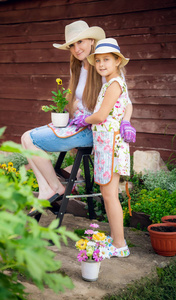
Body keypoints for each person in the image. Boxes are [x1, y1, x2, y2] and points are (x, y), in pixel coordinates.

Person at [21, 21, 134, 217]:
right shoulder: (77, 66)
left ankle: (55, 187)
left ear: (91, 40)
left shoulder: (102, 66)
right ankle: (47, 188)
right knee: (25, 138)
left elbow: (126, 101)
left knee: (30, 140)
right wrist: (67, 112)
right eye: (71, 45)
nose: (76, 48)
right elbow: (74, 99)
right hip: (78, 124)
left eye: (80, 42)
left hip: (93, 130)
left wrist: (126, 121)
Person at [70, 38, 136, 257]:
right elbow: (127, 104)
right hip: (107, 144)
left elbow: (100, 115)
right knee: (108, 194)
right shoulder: (112, 82)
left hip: (110, 145)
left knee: (109, 195)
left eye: (106, 59)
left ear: (118, 61)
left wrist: (83, 119)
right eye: (97, 60)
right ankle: (117, 240)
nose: (101, 65)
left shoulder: (114, 83)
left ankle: (119, 245)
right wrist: (125, 119)